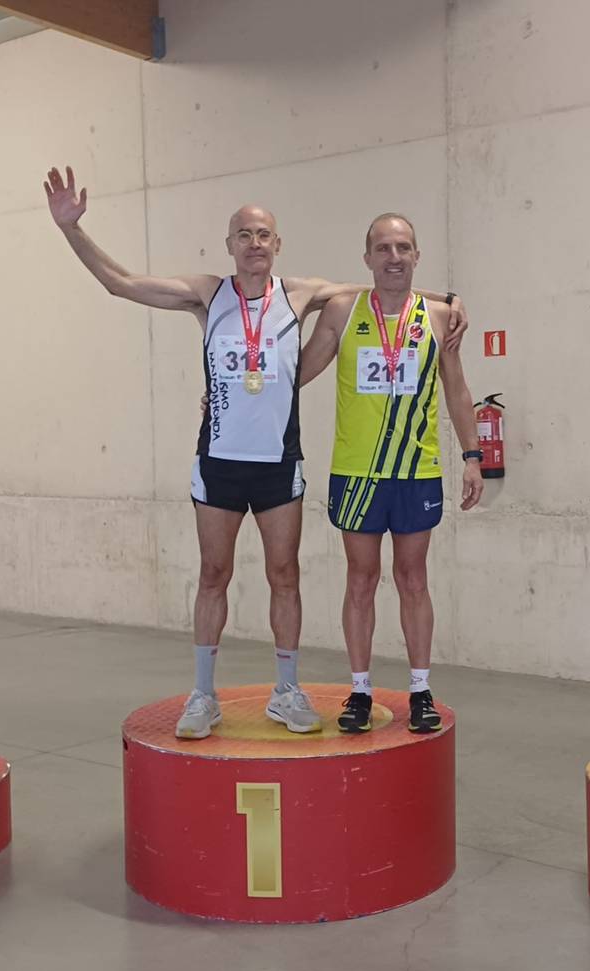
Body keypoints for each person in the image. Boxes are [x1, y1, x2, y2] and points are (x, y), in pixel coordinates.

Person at [43, 167, 469, 739]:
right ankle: (202, 695)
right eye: (244, 234)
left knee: (284, 576)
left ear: (277, 244)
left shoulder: (303, 294)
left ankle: (287, 692)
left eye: (263, 234)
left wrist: (450, 299)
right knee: (213, 573)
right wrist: (72, 230)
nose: (254, 244)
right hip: (218, 460)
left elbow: (382, 283)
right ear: (230, 245)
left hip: (279, 465)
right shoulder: (206, 293)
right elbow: (121, 283)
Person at [299, 213, 483, 734]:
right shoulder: (342, 310)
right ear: (367, 259)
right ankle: (359, 693)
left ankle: (420, 689)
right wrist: (244, 390)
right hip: (357, 472)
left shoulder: (441, 317)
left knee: (413, 579)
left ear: (417, 256)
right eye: (383, 248)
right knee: (361, 580)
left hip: (415, 470)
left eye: (403, 247)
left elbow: (458, 389)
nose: (394, 257)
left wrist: (473, 457)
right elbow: (302, 370)